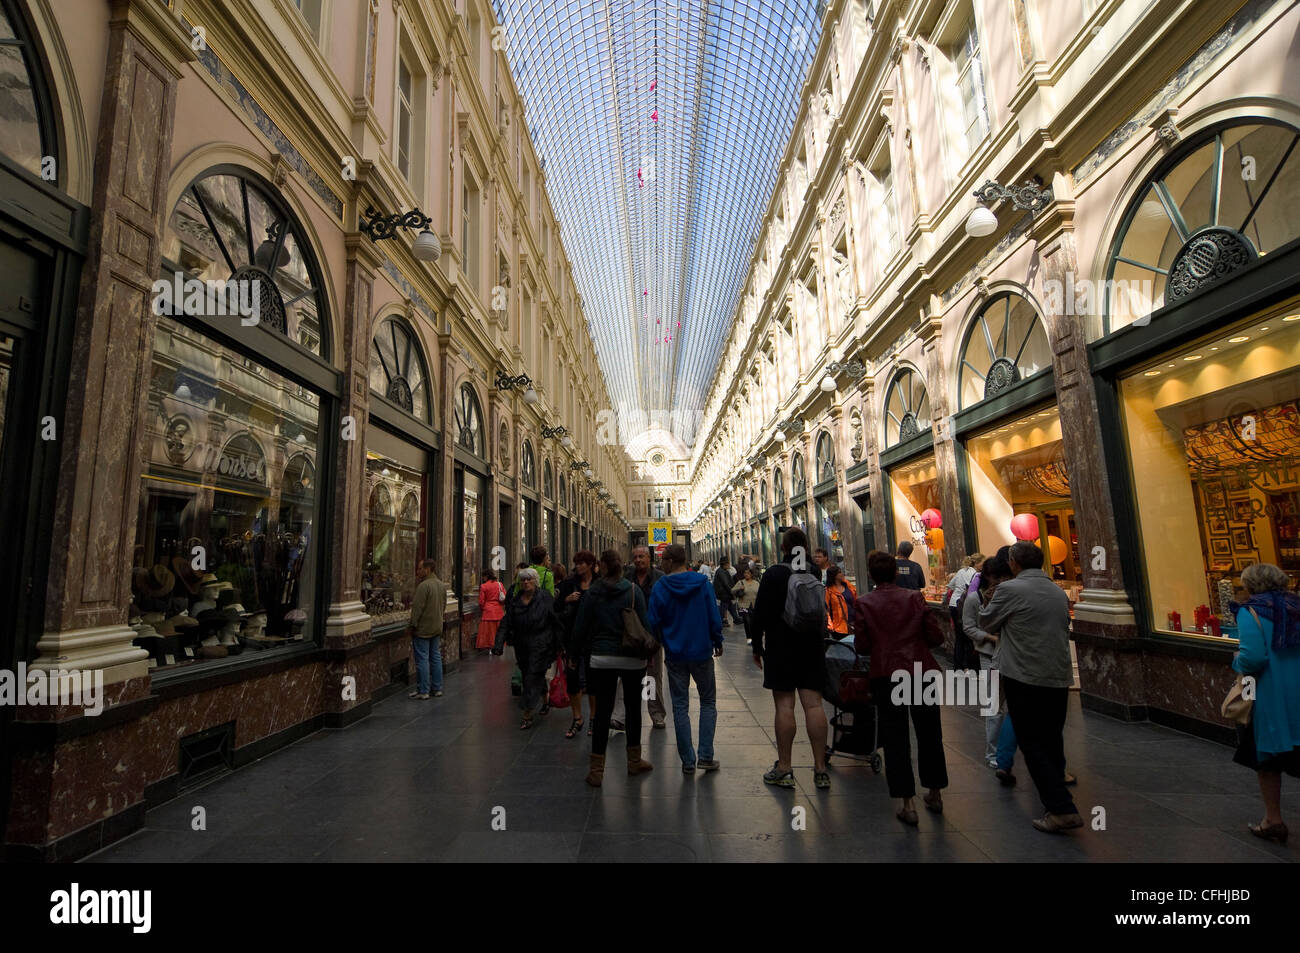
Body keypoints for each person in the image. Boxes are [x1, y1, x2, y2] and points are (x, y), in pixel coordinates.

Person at [979, 541, 1080, 833]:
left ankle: (1061, 808)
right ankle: (1059, 792)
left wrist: (991, 599)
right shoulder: (1057, 592)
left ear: (1014, 564)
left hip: (1024, 675)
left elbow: (986, 621)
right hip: (1057, 676)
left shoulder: (1010, 590)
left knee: (1032, 742)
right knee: (1051, 737)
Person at [854, 550, 948, 825]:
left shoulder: (865, 603)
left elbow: (861, 646)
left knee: (895, 737)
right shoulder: (915, 598)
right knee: (930, 733)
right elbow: (935, 635)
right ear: (895, 572)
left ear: (871, 575)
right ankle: (934, 792)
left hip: (887, 675)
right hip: (920, 671)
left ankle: (907, 803)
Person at [751, 528, 831, 789]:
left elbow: (760, 612)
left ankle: (784, 767)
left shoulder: (774, 574)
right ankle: (820, 769)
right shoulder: (814, 573)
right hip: (811, 646)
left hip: (781, 647)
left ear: (784, 548)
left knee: (785, 706)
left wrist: (756, 646)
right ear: (805, 547)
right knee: (814, 706)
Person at [1231, 562, 1300, 844]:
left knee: (1268, 759)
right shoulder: (1297, 606)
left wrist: (1236, 659)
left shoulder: (1251, 612)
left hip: (1272, 693)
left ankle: (1273, 820)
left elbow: (1254, 658)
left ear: (1249, 585)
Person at [572, 550, 654, 785]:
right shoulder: (632, 590)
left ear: (601, 567)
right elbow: (645, 624)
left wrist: (573, 655)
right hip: (631, 659)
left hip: (601, 659)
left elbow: (581, 627)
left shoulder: (594, 592)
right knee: (632, 708)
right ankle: (634, 761)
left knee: (602, 712)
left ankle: (597, 771)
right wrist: (648, 653)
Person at [647, 543, 724, 773]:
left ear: (670, 562)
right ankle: (706, 756)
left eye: (663, 560)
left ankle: (688, 762)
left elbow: (653, 620)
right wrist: (717, 639)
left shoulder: (661, 586)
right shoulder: (702, 584)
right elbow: (713, 613)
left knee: (680, 706)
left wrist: (664, 639)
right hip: (701, 651)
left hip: (675, 654)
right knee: (708, 702)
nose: (660, 563)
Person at [964, 554, 1011, 768]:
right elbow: (969, 627)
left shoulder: (1009, 595)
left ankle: (1006, 750)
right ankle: (992, 753)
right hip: (988, 656)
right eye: (997, 578)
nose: (1001, 582)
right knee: (994, 706)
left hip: (1011, 655)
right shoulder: (974, 598)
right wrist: (990, 637)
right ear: (989, 577)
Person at [499, 568, 561, 730]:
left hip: (541, 644)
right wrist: (498, 643)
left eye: (529, 579)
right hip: (522, 645)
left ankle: (527, 713)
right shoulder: (516, 600)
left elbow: (555, 620)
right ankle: (546, 700)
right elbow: (507, 622)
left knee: (531, 677)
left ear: (535, 581)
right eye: (523, 580)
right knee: (529, 673)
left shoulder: (545, 598)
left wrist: (561, 644)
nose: (526, 582)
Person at [558, 550, 599, 738]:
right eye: (577, 563)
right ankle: (577, 718)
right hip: (572, 639)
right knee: (572, 679)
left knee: (593, 682)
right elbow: (555, 607)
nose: (579, 566)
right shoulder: (568, 584)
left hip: (595, 639)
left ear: (590, 564)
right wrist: (566, 600)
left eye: (582, 563)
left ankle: (594, 718)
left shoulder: (600, 584)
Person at [408, 559, 448, 699]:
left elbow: (417, 609)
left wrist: (413, 625)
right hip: (436, 627)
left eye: (420, 569)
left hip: (423, 628)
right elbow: (443, 606)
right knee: (436, 657)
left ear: (428, 569)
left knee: (422, 660)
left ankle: (423, 690)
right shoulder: (441, 585)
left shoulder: (423, 586)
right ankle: (437, 688)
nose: (418, 571)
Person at [947, 554, 984, 674]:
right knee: (968, 637)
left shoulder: (961, 571)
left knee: (959, 637)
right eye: (982, 563)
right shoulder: (974, 573)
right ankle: (968, 666)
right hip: (963, 605)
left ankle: (958, 666)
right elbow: (973, 589)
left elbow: (950, 585)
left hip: (953, 604)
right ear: (977, 563)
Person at [476, 568, 506, 651]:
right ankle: (498, 645)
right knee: (498, 631)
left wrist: (483, 608)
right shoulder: (499, 584)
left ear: (486, 576)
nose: (483, 579)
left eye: (483, 577)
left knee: (488, 632)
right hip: (498, 611)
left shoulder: (483, 586)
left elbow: (481, 601)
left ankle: (490, 647)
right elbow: (504, 598)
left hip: (488, 612)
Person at [824, 565, 857, 639]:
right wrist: (830, 626)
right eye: (840, 572)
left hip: (854, 624)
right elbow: (826, 610)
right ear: (834, 576)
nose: (842, 574)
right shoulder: (828, 591)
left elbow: (855, 600)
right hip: (839, 628)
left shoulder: (847, 585)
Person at [731, 566, 760, 645]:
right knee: (747, 621)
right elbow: (732, 591)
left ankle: (755, 636)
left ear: (751, 574)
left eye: (748, 573)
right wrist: (739, 589)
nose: (746, 574)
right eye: (745, 573)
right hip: (743, 605)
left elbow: (760, 593)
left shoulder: (756, 583)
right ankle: (749, 638)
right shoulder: (741, 582)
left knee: (753, 622)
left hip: (754, 605)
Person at [713, 557, 741, 625]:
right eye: (728, 563)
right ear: (725, 564)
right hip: (724, 593)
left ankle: (736, 619)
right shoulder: (721, 571)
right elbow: (726, 583)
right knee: (724, 607)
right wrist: (732, 591)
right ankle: (719, 621)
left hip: (724, 593)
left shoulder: (723, 570)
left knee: (730, 606)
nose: (729, 565)